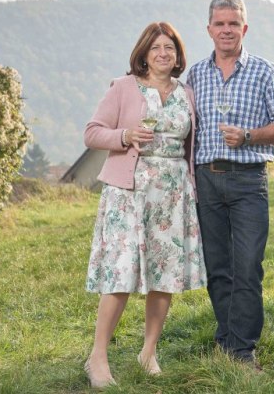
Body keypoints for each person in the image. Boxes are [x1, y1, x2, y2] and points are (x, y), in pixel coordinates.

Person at [82, 21, 206, 387]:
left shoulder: (187, 93)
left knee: (164, 274)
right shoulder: (123, 87)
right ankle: (98, 356)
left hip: (172, 192)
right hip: (130, 192)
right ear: (144, 53)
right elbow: (92, 132)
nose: (163, 54)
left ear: (178, 54)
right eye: (156, 48)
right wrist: (124, 135)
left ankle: (148, 351)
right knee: (121, 272)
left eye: (169, 47)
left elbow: (189, 146)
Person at [186, 0, 274, 368]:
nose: (227, 30)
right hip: (207, 180)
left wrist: (248, 136)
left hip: (249, 180)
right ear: (209, 29)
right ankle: (226, 338)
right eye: (220, 23)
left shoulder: (265, 71)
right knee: (217, 267)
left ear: (244, 28)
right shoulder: (196, 74)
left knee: (247, 265)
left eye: (234, 23)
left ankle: (242, 350)